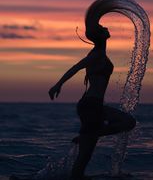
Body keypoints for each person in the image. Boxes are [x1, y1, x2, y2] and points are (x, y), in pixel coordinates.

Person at [48, 23, 136, 180]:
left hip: (94, 105)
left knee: (127, 123)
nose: (107, 28)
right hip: (90, 105)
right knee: (127, 123)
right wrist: (58, 84)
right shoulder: (97, 54)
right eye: (103, 28)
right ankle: (88, 136)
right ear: (100, 35)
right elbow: (76, 67)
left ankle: (87, 136)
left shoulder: (100, 53)